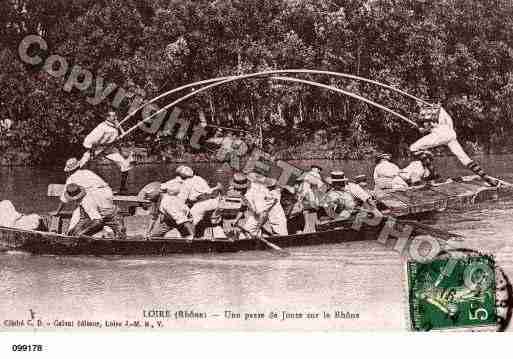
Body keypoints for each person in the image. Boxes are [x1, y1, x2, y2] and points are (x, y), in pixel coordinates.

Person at [410, 103, 497, 186]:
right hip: (451, 134)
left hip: (440, 134)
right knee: (465, 159)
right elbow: (446, 124)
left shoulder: (428, 112)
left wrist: (422, 128)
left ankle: (434, 174)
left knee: (413, 148)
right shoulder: (442, 110)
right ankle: (488, 179)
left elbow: (426, 128)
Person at [56, 158, 120, 234]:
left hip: (95, 198)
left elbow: (64, 199)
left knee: (81, 213)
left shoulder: (71, 179)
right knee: (84, 213)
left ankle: (70, 232)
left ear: (69, 171)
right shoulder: (88, 172)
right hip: (107, 194)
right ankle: (71, 232)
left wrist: (57, 211)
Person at [78, 111, 134, 194]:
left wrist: (119, 149)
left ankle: (122, 189)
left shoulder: (115, 125)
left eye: (115, 115)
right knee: (82, 165)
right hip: (97, 148)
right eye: (113, 116)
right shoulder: (102, 127)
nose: (115, 117)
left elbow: (119, 136)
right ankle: (76, 185)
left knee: (125, 164)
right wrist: (92, 152)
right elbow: (92, 140)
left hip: (109, 149)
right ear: (107, 117)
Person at [178, 166, 223, 236]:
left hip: (201, 204)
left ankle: (190, 238)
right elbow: (208, 191)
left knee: (190, 223)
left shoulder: (186, 183)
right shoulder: (199, 178)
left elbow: (181, 200)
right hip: (213, 201)